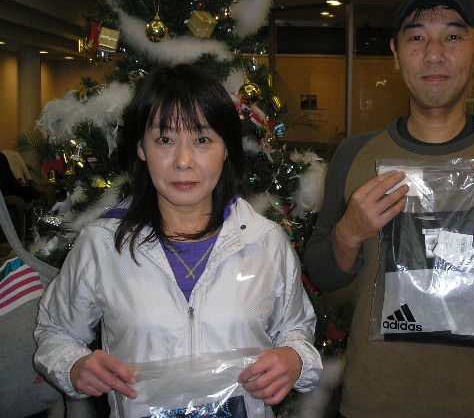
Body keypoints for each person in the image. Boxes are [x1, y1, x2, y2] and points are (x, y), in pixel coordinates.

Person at [303, 0, 474, 418]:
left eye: (453, 37)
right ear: (396, 53)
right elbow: (322, 275)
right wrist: (348, 233)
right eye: (417, 37)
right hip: (375, 399)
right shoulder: (355, 154)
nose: (434, 54)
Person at [34, 64, 322, 417]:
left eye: (202, 140)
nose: (183, 162)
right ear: (141, 148)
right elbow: (56, 331)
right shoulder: (103, 244)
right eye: (165, 140)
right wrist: (73, 365)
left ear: (226, 148)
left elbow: (295, 328)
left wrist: (294, 358)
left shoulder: (266, 242)